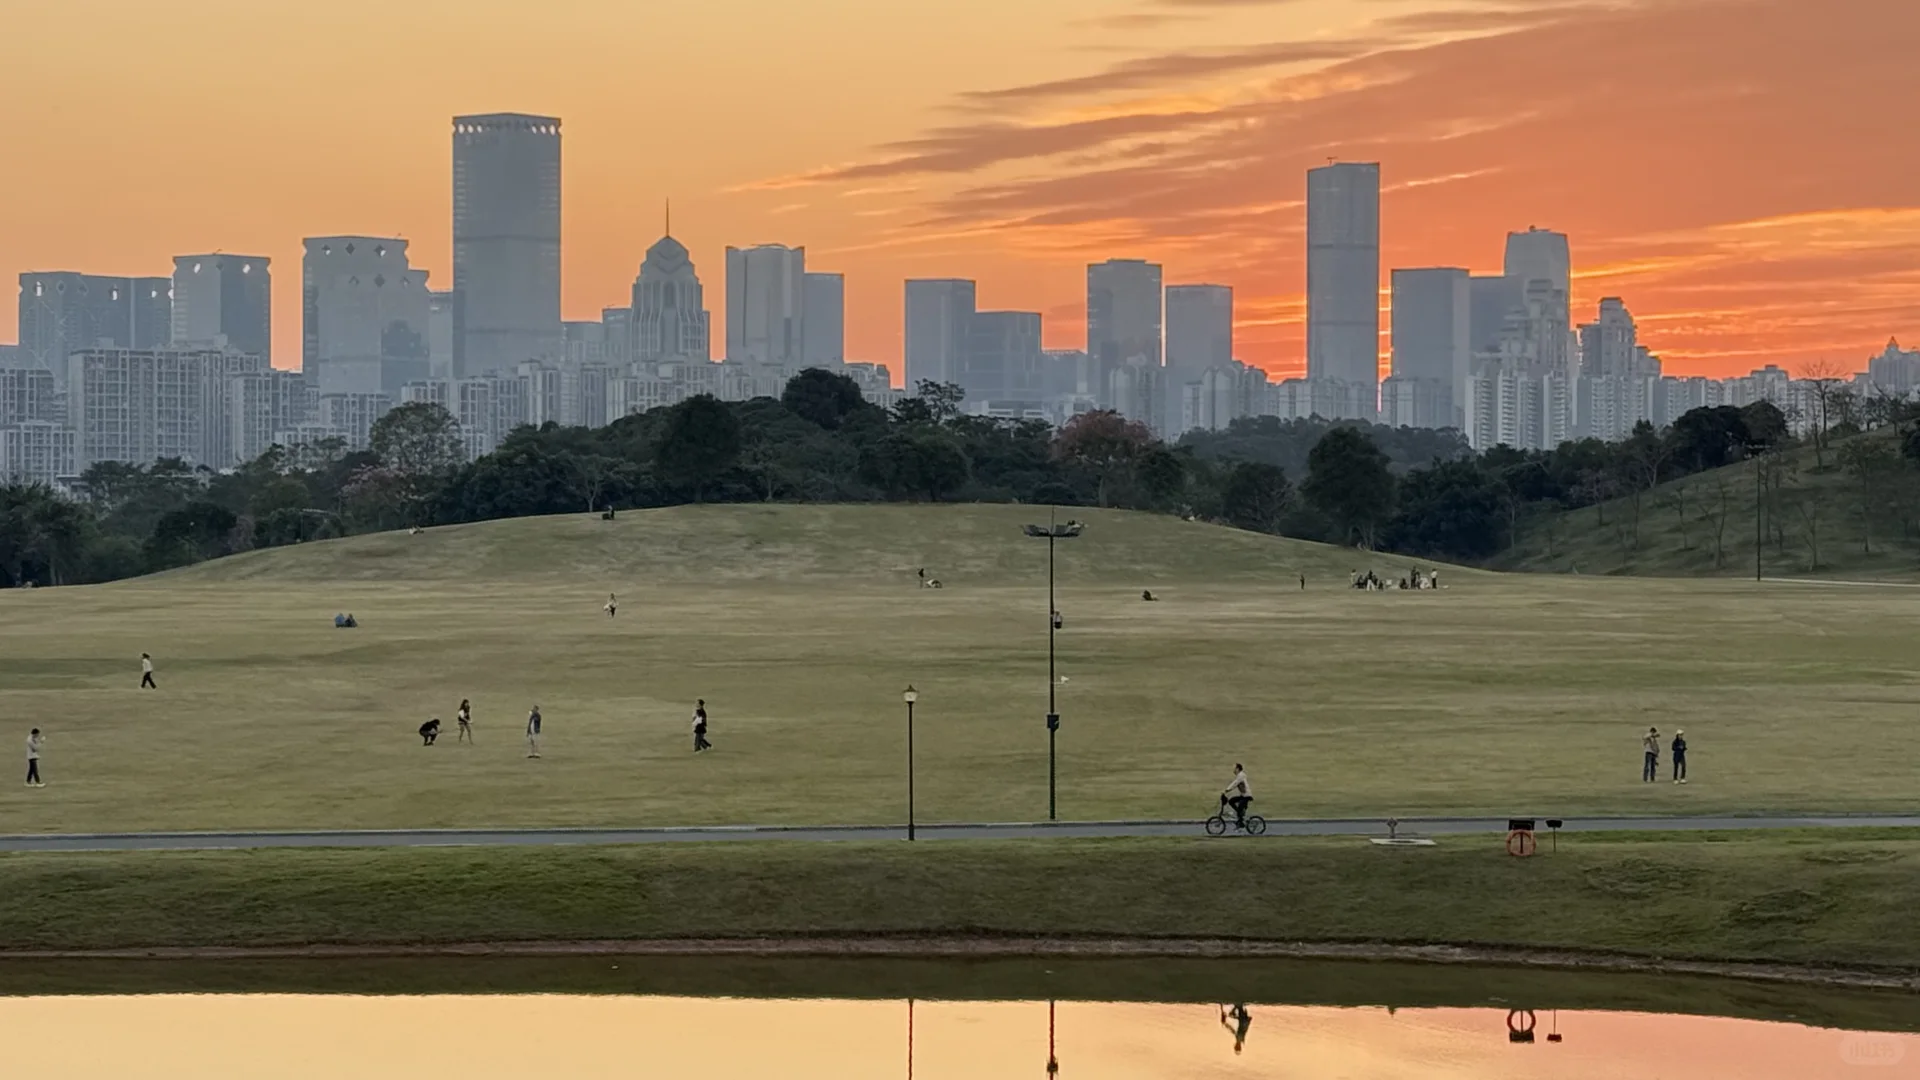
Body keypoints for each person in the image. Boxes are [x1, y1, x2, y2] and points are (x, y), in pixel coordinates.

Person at [1221, 763, 1252, 827]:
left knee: (1240, 807)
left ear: (1237, 769)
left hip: (1246, 796)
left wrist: (1227, 790)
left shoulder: (1241, 775)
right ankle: (1240, 815)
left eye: (1234, 768)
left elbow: (1235, 783)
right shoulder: (1240, 776)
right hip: (1243, 796)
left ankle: (1241, 821)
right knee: (1231, 801)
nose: (1233, 770)